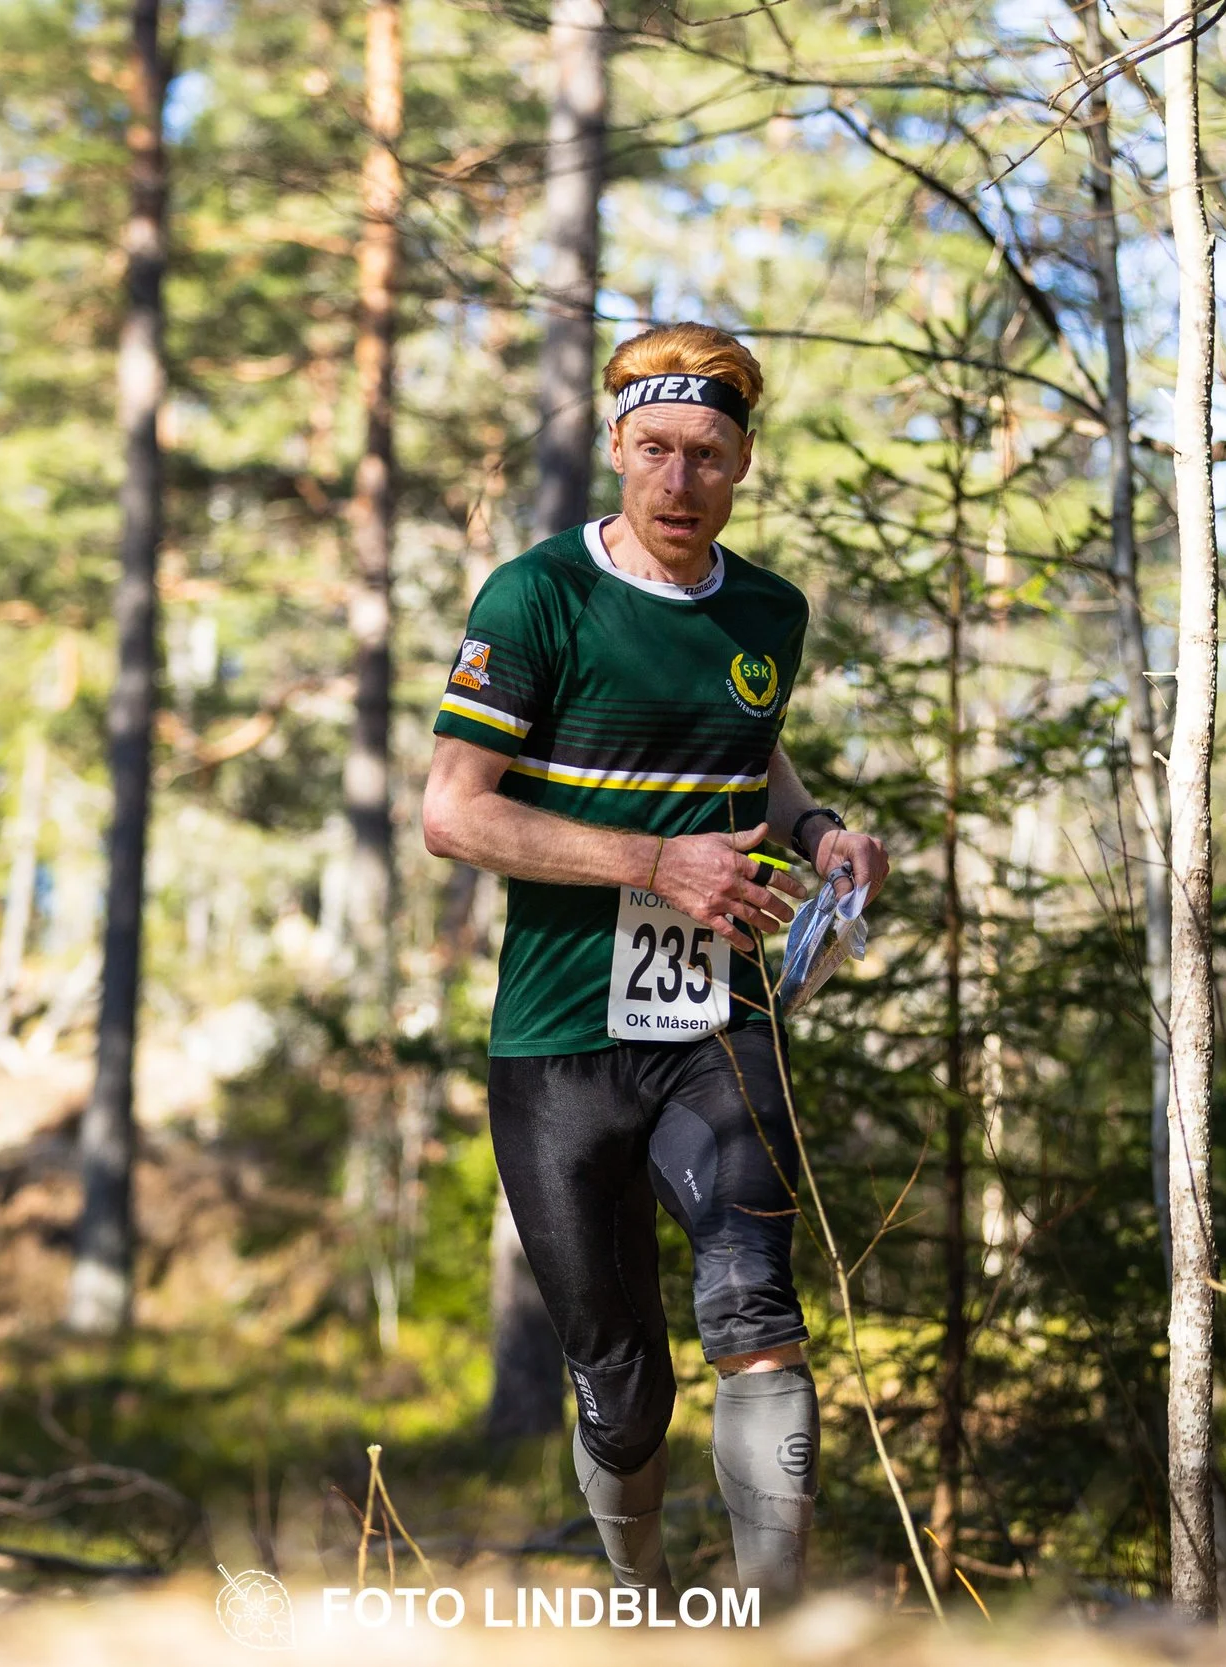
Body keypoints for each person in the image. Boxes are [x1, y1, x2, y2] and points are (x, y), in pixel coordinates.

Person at [422, 323, 890, 1601]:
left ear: (743, 461)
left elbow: (751, 749)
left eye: (707, 455)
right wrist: (652, 860)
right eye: (654, 451)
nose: (677, 484)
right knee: (621, 1390)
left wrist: (816, 829)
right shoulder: (538, 599)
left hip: (716, 1024)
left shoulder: (765, 611)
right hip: (559, 1041)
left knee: (756, 1313)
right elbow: (453, 813)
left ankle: (775, 1620)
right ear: (617, 447)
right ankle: (644, 1605)